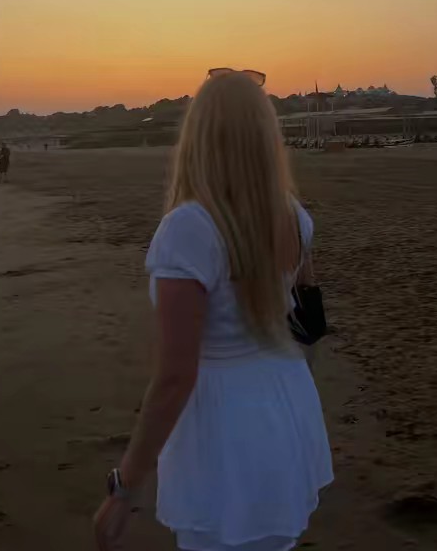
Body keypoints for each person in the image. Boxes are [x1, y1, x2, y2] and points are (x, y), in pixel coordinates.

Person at [93, 71, 333, 551]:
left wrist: (125, 488)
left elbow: (174, 378)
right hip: (287, 400)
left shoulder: (188, 229)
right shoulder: (292, 215)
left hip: (223, 421)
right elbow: (307, 319)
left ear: (199, 136)